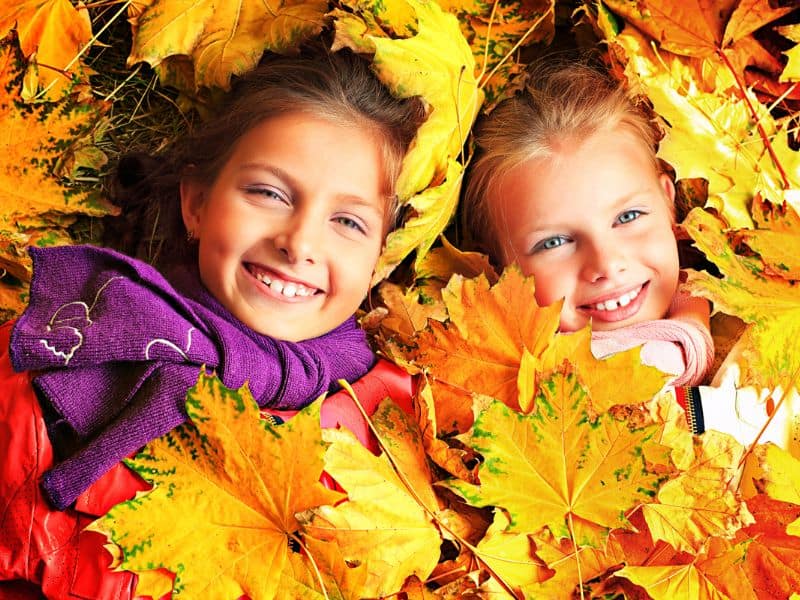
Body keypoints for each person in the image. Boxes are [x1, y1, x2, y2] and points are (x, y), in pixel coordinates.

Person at [0, 47, 424, 597]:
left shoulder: (405, 428)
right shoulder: (62, 361)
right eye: (268, 193)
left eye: (347, 221)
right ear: (197, 204)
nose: (298, 243)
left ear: (378, 263)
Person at [462, 60, 796, 449]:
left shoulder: (753, 310)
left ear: (668, 203)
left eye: (628, 216)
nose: (606, 264)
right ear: (500, 268)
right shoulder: (537, 400)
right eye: (554, 242)